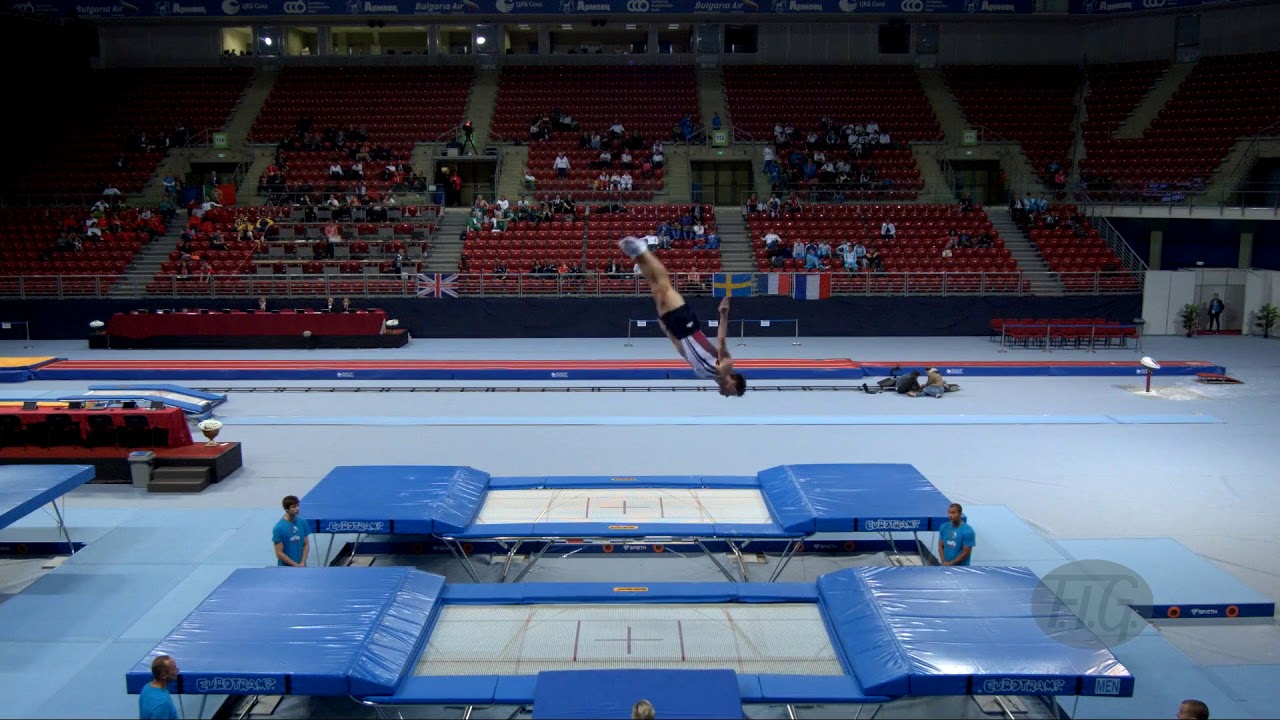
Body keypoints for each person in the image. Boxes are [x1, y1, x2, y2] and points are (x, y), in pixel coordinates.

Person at [618, 235, 746, 397]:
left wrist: (669, 334)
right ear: (734, 384)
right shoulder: (725, 367)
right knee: (664, 287)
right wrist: (723, 314)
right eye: (731, 393)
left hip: (679, 333)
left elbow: (685, 354)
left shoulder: (705, 375)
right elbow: (721, 341)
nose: (727, 395)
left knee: (656, 288)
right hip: (690, 327)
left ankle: (638, 255)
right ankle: (642, 250)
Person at [273, 495, 309, 567]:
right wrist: (296, 565)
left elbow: (306, 544)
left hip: (301, 566)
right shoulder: (278, 528)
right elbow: (279, 553)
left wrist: (302, 562)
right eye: (293, 507)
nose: (297, 509)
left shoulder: (303, 522)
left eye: (298, 505)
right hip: (285, 569)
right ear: (286, 509)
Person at [139, 655, 179, 719]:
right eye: (174, 669)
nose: (178, 670)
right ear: (164, 675)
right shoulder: (162, 703)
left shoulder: (147, 687)